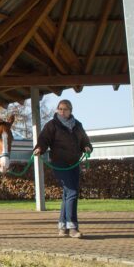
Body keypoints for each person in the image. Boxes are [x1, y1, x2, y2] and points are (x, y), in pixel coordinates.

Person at [33, 99, 92, 239]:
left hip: (74, 163)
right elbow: (43, 140)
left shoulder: (78, 125)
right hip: (59, 163)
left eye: (65, 109)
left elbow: (84, 140)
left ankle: (62, 226)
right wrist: (39, 148)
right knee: (72, 192)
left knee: (68, 194)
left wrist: (87, 147)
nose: (62, 111)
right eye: (60, 108)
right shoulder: (52, 125)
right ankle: (72, 226)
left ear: (70, 110)